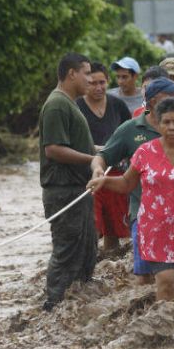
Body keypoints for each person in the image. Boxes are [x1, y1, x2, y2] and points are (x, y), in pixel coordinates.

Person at [88, 97, 174, 300]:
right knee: (167, 281)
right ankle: (164, 328)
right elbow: (126, 183)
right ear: (158, 125)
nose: (171, 127)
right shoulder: (145, 152)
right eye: (166, 122)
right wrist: (104, 181)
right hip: (155, 228)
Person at [39, 53, 97, 311]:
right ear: (71, 74)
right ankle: (54, 306)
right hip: (64, 193)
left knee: (85, 253)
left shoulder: (69, 104)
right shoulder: (57, 105)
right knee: (66, 253)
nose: (91, 79)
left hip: (78, 191)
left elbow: (79, 146)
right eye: (86, 73)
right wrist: (92, 160)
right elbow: (53, 149)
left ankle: (76, 310)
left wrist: (105, 153)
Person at [75, 62, 132, 254]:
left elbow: (130, 132)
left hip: (115, 174)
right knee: (92, 226)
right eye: (92, 83)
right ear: (85, 83)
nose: (98, 87)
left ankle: (109, 264)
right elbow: (70, 142)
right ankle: (87, 266)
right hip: (89, 174)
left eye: (102, 82)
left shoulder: (117, 104)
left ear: (108, 82)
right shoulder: (76, 107)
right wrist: (99, 149)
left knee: (114, 229)